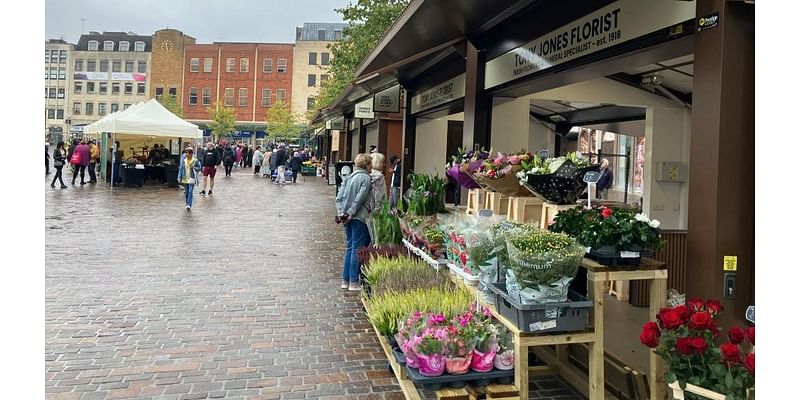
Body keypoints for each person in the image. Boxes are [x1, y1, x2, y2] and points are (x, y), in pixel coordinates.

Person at [334, 153, 373, 291]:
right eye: (370, 164)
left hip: (346, 217)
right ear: (367, 164)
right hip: (359, 217)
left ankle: (346, 280)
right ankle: (354, 281)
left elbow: (339, 197)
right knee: (357, 248)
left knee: (350, 247)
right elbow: (360, 199)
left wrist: (342, 214)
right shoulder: (366, 178)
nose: (371, 167)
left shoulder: (349, 177)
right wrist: (351, 213)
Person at [177, 147, 202, 211]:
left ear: (191, 154)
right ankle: (186, 203)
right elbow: (181, 169)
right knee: (187, 192)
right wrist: (179, 177)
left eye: (187, 153)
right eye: (185, 153)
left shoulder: (195, 160)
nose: (185, 155)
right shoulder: (184, 160)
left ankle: (189, 205)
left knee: (190, 191)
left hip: (192, 178)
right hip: (185, 178)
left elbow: (199, 168)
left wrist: (194, 167)